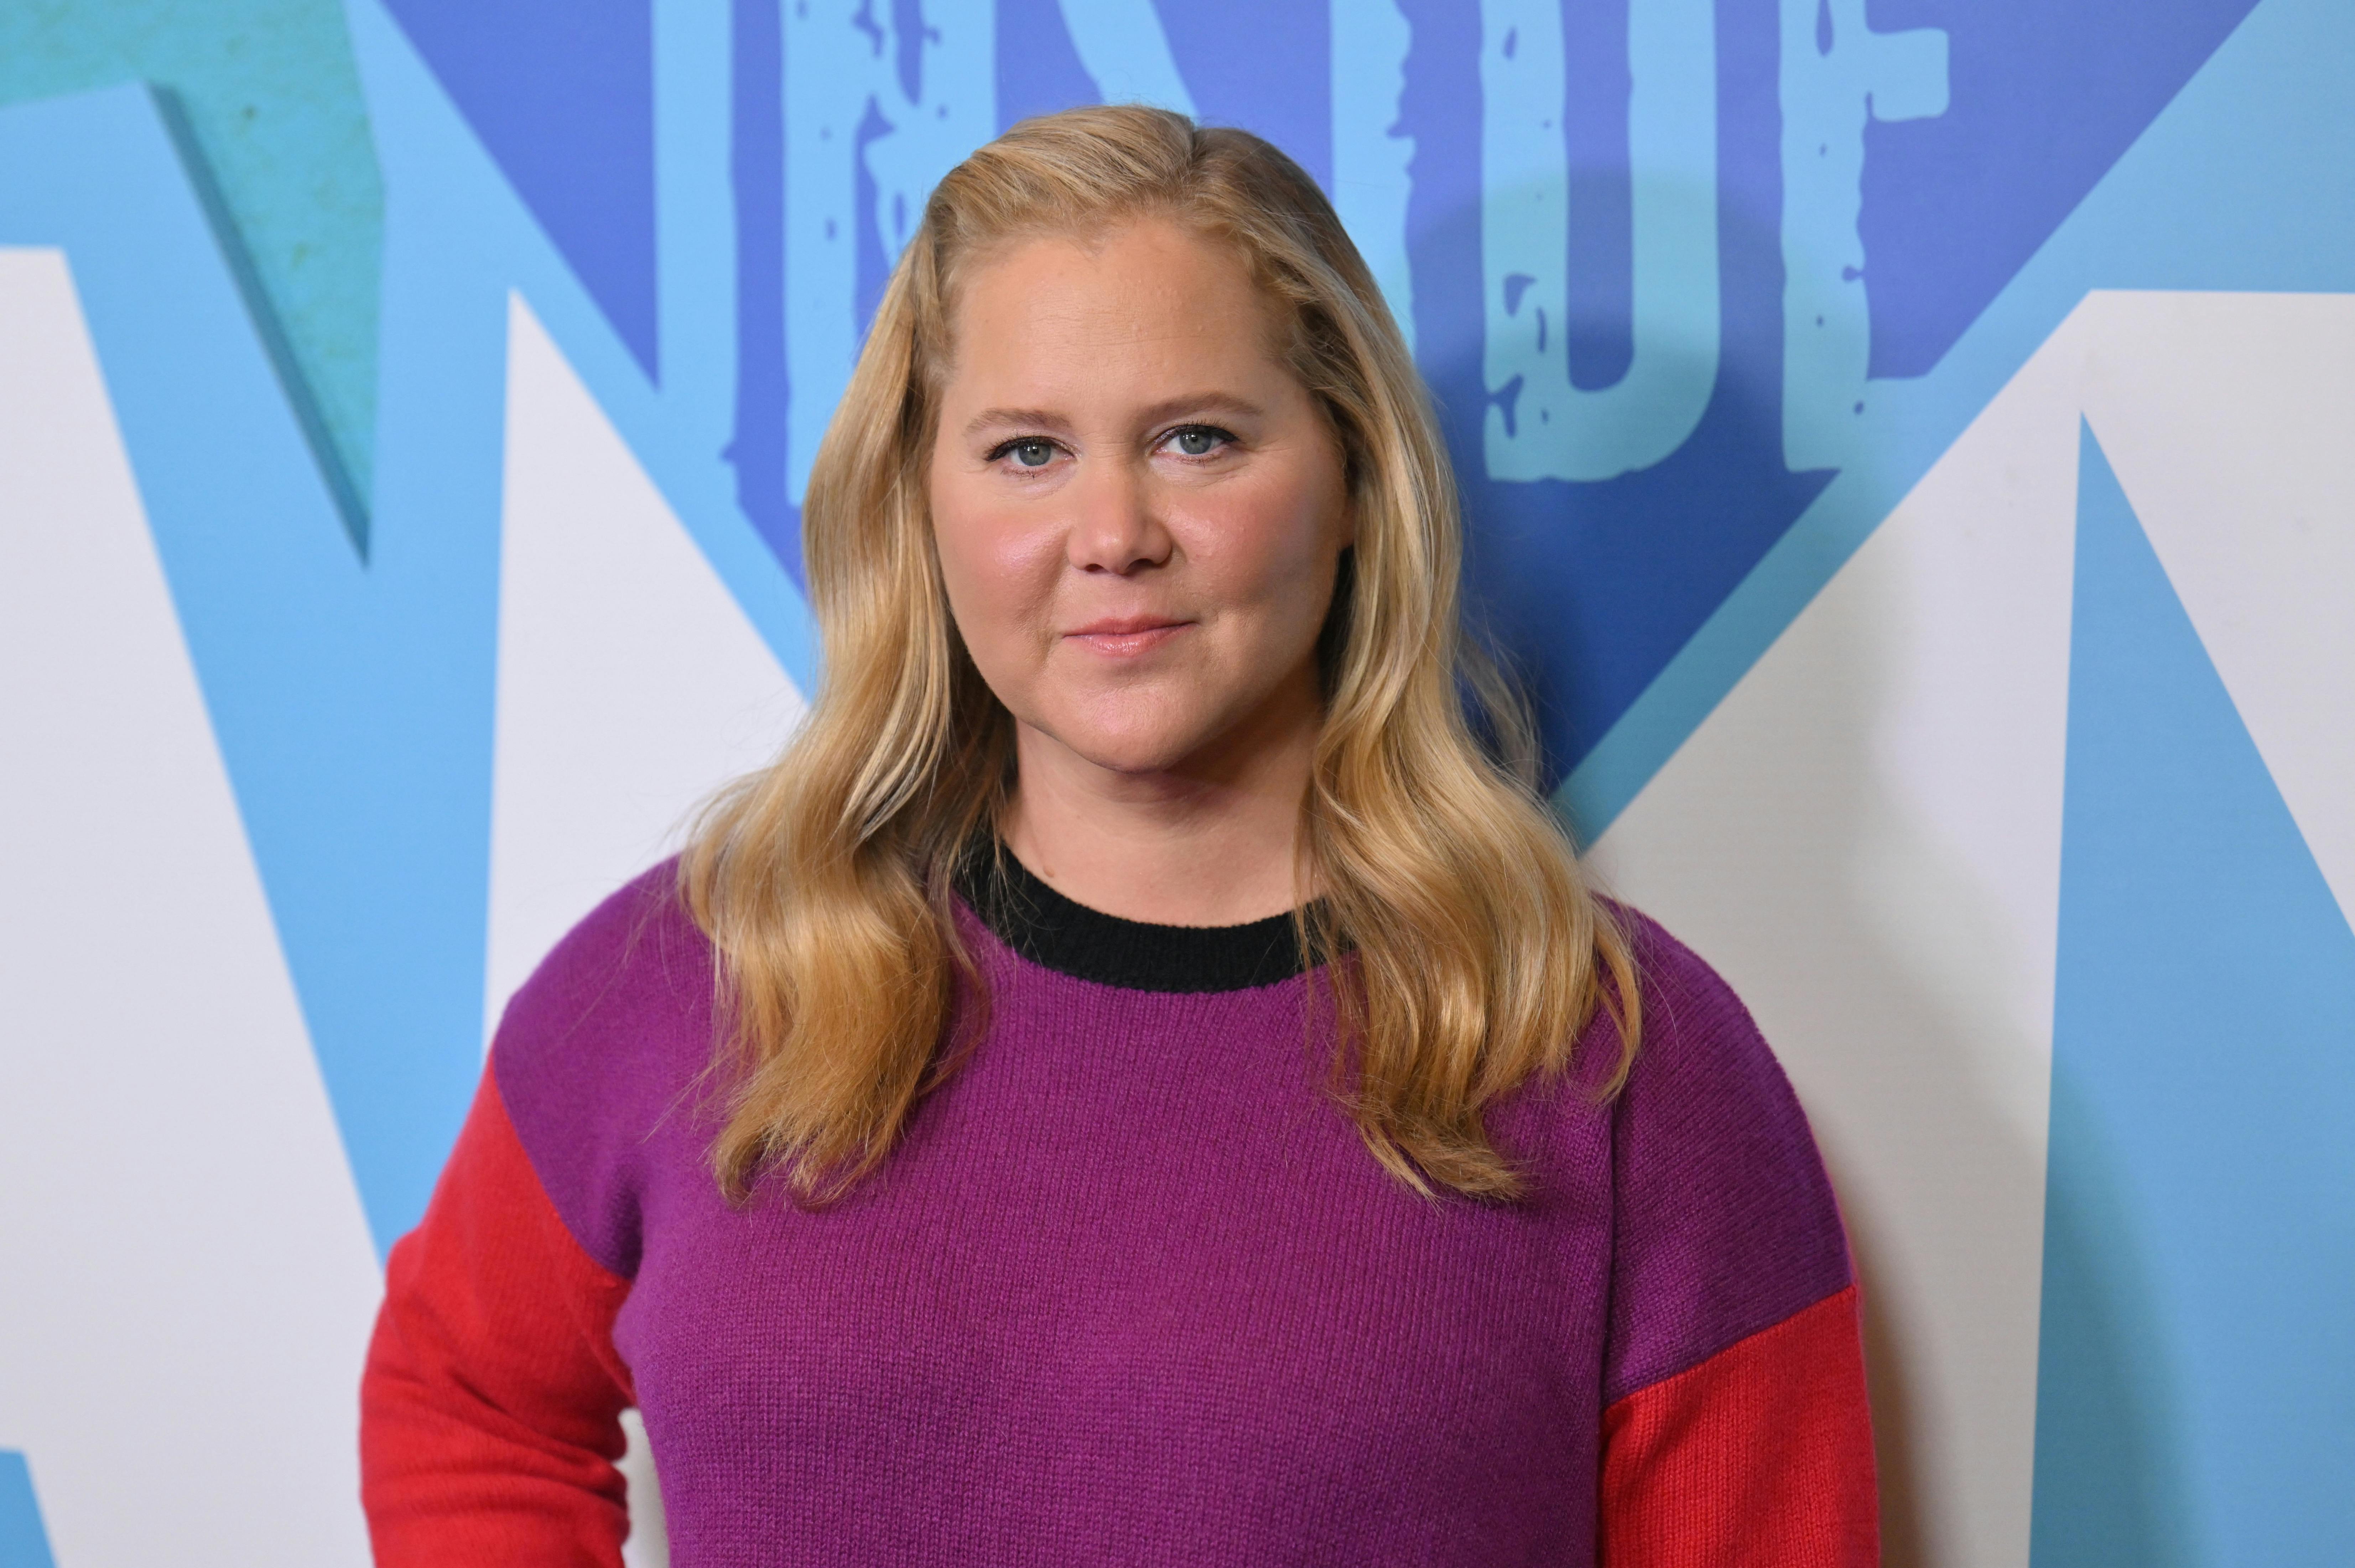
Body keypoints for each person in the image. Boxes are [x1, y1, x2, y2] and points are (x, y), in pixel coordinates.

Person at [360, 106, 1877, 1566]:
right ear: (922, 502)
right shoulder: (695, 975)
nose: (1113, 534)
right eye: (1028, 451)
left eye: (1198, 440)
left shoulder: (1615, 1053)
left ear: (1352, 484)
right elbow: (466, 1401)